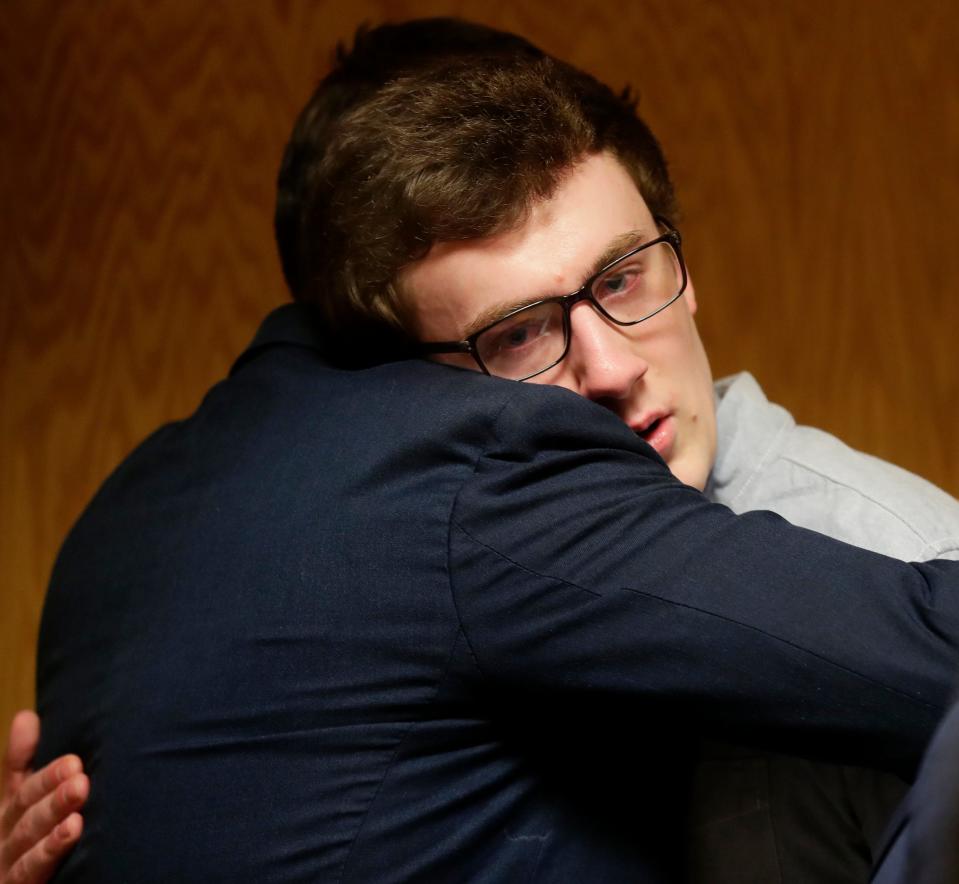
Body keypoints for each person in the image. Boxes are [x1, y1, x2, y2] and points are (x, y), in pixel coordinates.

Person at [4, 17, 959, 883]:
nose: (611, 367)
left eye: (625, 279)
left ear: (684, 263)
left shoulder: (118, 514)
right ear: (403, 374)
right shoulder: (466, 472)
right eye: (518, 336)